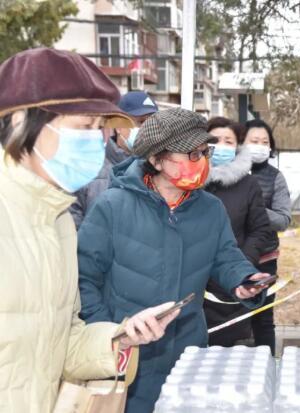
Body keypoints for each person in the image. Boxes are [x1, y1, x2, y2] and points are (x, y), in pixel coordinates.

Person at [0, 48, 180, 413]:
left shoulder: (57, 221)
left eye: (101, 128)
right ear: (20, 121)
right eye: (84, 127)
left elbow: (62, 341)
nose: (97, 141)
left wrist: (122, 337)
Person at [77, 108, 269, 413]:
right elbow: (84, 278)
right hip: (126, 358)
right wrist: (108, 335)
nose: (201, 161)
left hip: (186, 356)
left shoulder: (210, 208)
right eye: (191, 154)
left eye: (204, 152)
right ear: (156, 160)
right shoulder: (112, 206)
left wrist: (243, 280)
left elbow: (226, 256)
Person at [203, 116, 271, 347]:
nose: (221, 146)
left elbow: (259, 229)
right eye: (215, 140)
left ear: (237, 147)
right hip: (195, 284)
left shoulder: (248, 185)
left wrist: (242, 264)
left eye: (228, 141)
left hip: (231, 283)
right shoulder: (191, 183)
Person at [69, 91, 159, 228]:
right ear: (118, 126)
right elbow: (72, 225)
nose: (146, 130)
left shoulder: (161, 169)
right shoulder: (88, 169)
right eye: (140, 122)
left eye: (152, 124)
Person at [244, 118, 292, 354]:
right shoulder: (225, 172)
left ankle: (268, 364)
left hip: (264, 260)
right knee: (228, 318)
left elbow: (283, 220)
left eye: (265, 142)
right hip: (229, 258)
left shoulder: (275, 177)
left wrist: (254, 206)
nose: (260, 146)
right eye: (254, 141)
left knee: (262, 318)